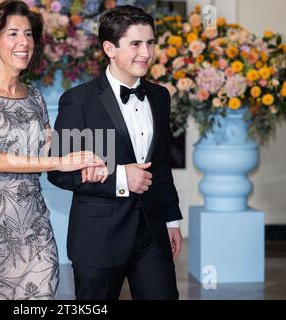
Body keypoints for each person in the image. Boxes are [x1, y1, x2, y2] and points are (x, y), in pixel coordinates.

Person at [0, 0, 105, 300]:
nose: (24, 41)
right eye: (13, 34)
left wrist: (98, 155)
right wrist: (60, 162)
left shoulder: (34, 96)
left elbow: (51, 145)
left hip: (34, 226)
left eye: (28, 34)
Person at [48, 5, 183, 300]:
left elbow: (160, 166)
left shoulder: (160, 96)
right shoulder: (78, 101)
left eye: (150, 42)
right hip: (98, 238)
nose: (145, 53)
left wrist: (171, 220)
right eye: (135, 44)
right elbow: (58, 171)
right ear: (109, 47)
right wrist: (121, 177)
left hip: (152, 235)